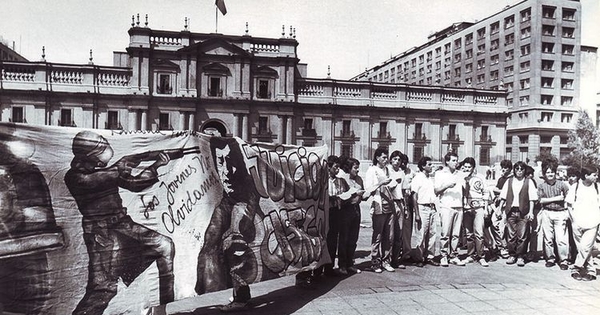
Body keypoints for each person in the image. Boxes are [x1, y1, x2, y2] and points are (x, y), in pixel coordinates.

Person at [64, 131, 176, 315]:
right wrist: (131, 165)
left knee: (165, 246)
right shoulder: (75, 177)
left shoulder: (105, 171)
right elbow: (113, 178)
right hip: (101, 233)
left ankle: (165, 309)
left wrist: (150, 163)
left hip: (124, 224)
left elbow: (134, 183)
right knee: (103, 289)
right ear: (90, 155)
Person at [496, 161, 538, 267]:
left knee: (522, 235)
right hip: (511, 211)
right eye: (517, 169)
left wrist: (531, 212)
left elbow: (532, 199)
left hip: (523, 212)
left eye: (521, 169)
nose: (519, 171)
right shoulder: (509, 181)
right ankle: (512, 255)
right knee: (510, 235)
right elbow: (503, 197)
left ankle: (520, 256)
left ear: (524, 171)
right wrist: (499, 209)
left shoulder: (529, 182)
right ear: (514, 170)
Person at [565, 165, 600, 281]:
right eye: (594, 175)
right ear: (586, 175)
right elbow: (569, 205)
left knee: (585, 247)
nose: (597, 176)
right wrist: (573, 221)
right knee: (583, 248)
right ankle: (591, 270)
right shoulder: (575, 187)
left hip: (593, 223)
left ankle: (576, 266)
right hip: (577, 223)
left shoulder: (597, 187)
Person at [364, 148, 395, 273]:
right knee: (377, 235)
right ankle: (375, 262)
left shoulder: (387, 169)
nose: (386, 160)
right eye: (383, 157)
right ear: (377, 158)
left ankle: (386, 260)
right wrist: (380, 183)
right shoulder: (371, 170)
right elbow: (368, 190)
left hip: (390, 205)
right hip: (379, 205)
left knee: (389, 236)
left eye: (386, 157)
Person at [537, 161, 570, 270]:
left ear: (555, 173)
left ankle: (563, 260)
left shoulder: (562, 185)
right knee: (548, 238)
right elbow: (541, 200)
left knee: (561, 239)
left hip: (560, 213)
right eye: (547, 172)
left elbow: (568, 199)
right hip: (547, 212)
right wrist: (556, 198)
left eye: (552, 172)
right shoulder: (542, 186)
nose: (550, 174)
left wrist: (566, 212)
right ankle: (550, 258)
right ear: (544, 174)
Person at [435, 152, 466, 267]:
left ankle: (454, 255)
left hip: (459, 206)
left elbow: (465, 189)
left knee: (456, 234)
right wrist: (447, 185)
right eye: (453, 160)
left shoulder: (461, 174)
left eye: (456, 160)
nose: (456, 163)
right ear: (447, 161)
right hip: (446, 206)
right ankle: (443, 255)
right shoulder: (440, 174)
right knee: (445, 233)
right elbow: (436, 191)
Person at [461, 157, 492, 267]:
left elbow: (486, 192)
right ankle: (470, 255)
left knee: (479, 233)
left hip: (479, 208)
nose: (467, 169)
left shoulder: (480, 177)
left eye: (469, 167)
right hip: (466, 209)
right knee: (469, 233)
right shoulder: (461, 178)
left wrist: (486, 208)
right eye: (465, 167)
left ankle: (481, 256)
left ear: (473, 167)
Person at [337, 157, 365, 275]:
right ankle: (342, 265)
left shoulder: (359, 179)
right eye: (355, 168)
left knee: (353, 238)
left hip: (356, 210)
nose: (357, 170)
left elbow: (363, 193)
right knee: (344, 238)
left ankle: (350, 263)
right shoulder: (343, 179)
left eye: (358, 168)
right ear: (349, 168)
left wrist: (364, 194)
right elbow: (341, 196)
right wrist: (353, 194)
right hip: (345, 210)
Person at [410, 156, 436, 267]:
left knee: (432, 233)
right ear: (423, 166)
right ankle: (419, 258)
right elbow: (414, 196)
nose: (432, 166)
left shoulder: (430, 178)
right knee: (421, 234)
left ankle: (429, 256)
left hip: (432, 208)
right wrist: (417, 213)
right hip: (422, 208)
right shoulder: (417, 178)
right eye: (429, 164)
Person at [486, 159, 512, 260]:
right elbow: (495, 189)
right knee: (494, 225)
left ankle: (505, 248)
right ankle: (501, 245)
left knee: (504, 227)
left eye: (505, 168)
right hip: (498, 205)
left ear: (510, 169)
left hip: (506, 205)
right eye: (502, 168)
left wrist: (501, 192)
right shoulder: (501, 179)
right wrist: (502, 191)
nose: (503, 170)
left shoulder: (512, 179)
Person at [388, 150, 407, 269]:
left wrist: (405, 208)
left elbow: (403, 191)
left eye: (399, 160)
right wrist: (395, 182)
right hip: (391, 203)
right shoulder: (387, 170)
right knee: (390, 234)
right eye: (395, 159)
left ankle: (395, 260)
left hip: (400, 202)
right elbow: (387, 188)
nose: (397, 162)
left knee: (399, 233)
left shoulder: (402, 172)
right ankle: (387, 259)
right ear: (391, 160)